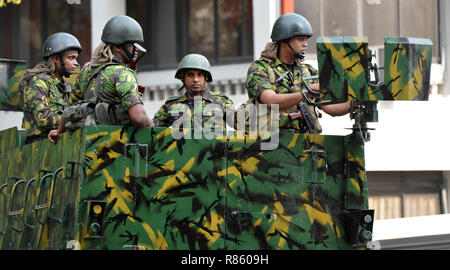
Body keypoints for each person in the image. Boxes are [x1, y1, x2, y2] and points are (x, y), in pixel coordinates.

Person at [48, 15, 151, 144]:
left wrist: (59, 131)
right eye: (131, 45)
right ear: (117, 47)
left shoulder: (85, 71)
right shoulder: (123, 74)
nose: (135, 50)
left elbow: (69, 109)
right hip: (116, 148)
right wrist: (151, 125)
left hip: (89, 147)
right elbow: (139, 118)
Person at [244, 13, 350, 134]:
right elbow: (271, 100)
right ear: (284, 40)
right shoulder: (260, 69)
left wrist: (355, 102)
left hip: (307, 142)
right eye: (300, 39)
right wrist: (307, 93)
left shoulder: (308, 72)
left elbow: (330, 107)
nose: (305, 44)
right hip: (272, 143)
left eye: (305, 40)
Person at [21, 32, 82, 144]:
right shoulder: (38, 83)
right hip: (39, 148)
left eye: (76, 58)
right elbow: (44, 119)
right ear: (56, 59)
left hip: (59, 144)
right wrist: (75, 119)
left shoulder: (65, 86)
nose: (76, 63)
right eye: (71, 58)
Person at [153, 53, 234, 135]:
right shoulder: (172, 105)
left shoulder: (221, 101)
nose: (195, 79)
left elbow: (241, 124)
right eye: (190, 75)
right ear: (183, 78)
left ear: (205, 77)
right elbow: (150, 127)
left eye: (200, 75)